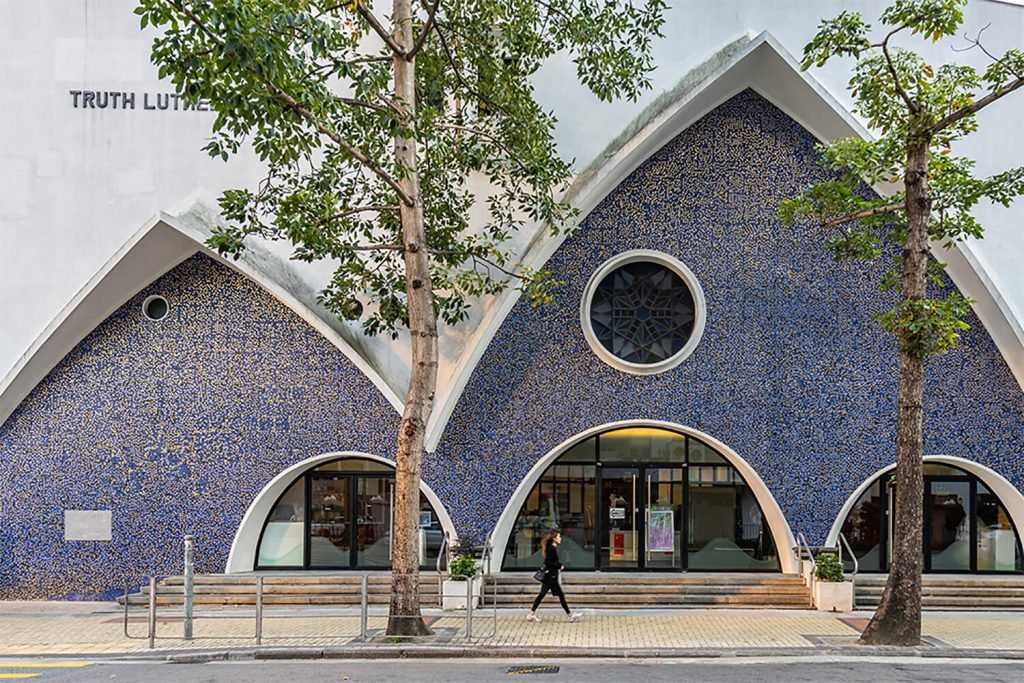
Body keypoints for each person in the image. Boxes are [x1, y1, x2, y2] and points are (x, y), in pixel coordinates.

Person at [527, 530, 581, 622]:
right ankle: (570, 616)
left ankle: (531, 614)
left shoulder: (552, 548)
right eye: (559, 537)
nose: (560, 539)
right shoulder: (551, 548)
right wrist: (559, 565)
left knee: (542, 594)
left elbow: (550, 561)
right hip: (551, 576)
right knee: (560, 595)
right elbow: (548, 562)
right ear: (554, 539)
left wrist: (558, 565)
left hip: (550, 576)